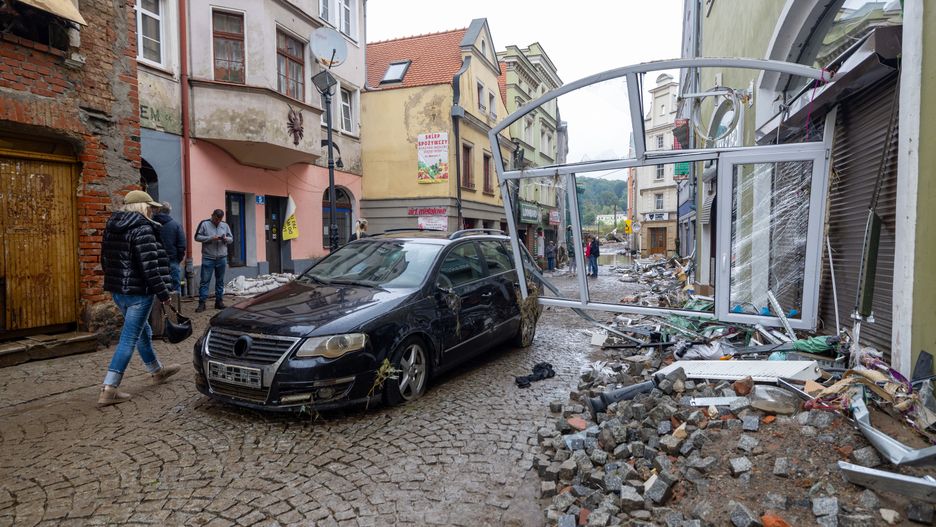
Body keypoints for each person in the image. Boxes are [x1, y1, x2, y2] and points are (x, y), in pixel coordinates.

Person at [98, 190, 181, 406]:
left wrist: (116, 283)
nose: (152, 211)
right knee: (129, 338)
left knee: (142, 330)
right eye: (150, 207)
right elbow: (150, 268)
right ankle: (109, 388)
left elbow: (104, 260)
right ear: (141, 207)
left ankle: (157, 371)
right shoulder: (143, 228)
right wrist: (164, 294)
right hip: (139, 293)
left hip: (118, 291)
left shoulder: (112, 227)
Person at [194, 209, 233, 312]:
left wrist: (225, 239)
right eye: (216, 219)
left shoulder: (225, 225)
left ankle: (219, 302)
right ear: (212, 215)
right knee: (205, 281)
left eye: (219, 220)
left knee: (220, 281)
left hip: (222, 257)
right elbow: (197, 237)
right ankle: (202, 303)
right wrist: (211, 238)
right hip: (208, 257)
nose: (217, 221)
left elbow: (231, 239)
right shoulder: (204, 224)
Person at [153, 202, 186, 293]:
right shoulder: (176, 225)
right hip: (172, 260)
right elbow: (182, 245)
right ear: (169, 211)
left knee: (156, 286)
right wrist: (178, 258)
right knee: (175, 287)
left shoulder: (150, 224)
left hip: (154, 259)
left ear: (158, 210)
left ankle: (158, 307)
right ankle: (175, 306)